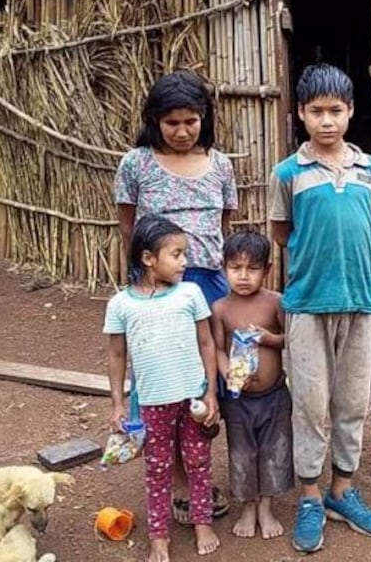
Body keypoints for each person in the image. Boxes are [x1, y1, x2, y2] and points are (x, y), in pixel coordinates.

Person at [268, 63, 371, 553]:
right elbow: (282, 234)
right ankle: (311, 497)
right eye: (316, 111)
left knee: (352, 402)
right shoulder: (288, 173)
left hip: (361, 303)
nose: (326, 120)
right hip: (307, 305)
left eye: (335, 110)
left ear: (351, 111)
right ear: (300, 113)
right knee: (310, 403)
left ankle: (343, 489)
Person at [114, 70, 236, 521]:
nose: (183, 131)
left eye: (191, 121)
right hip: (160, 291)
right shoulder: (136, 164)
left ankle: (207, 469)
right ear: (154, 121)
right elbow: (129, 229)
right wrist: (149, 282)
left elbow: (223, 226)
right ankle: (183, 485)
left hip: (210, 284)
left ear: (204, 117)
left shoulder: (220, 165)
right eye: (171, 123)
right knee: (168, 381)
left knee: (212, 381)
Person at [105, 214, 222, 562]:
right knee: (157, 468)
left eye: (184, 253)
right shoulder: (122, 304)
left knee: (199, 461)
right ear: (148, 258)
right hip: (153, 402)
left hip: (193, 398)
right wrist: (117, 404)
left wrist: (210, 392)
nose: (185, 261)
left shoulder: (190, 293)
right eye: (176, 254)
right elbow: (116, 355)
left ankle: (203, 522)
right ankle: (159, 536)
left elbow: (206, 343)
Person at [210, 231, 293, 540]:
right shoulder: (220, 308)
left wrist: (269, 338)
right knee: (241, 451)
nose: (243, 276)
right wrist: (228, 374)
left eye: (252, 268)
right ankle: (247, 506)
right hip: (238, 399)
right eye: (235, 268)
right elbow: (218, 349)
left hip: (274, 395)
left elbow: (291, 339)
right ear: (224, 268)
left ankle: (266, 507)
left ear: (267, 270)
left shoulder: (276, 302)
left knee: (274, 448)